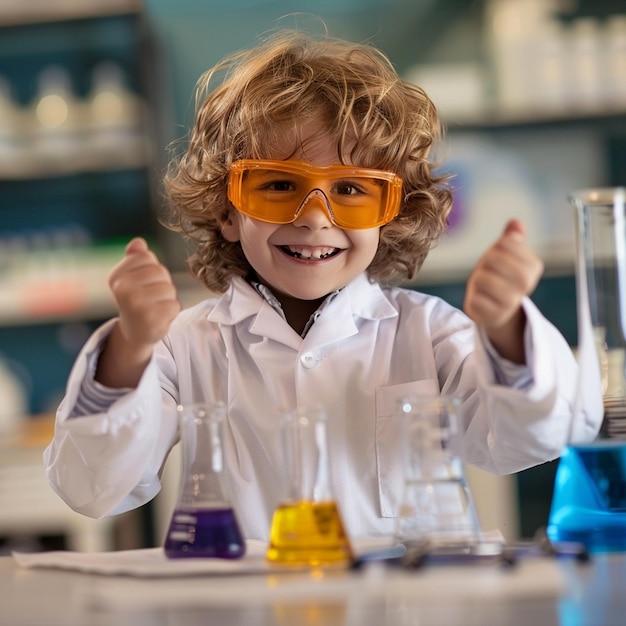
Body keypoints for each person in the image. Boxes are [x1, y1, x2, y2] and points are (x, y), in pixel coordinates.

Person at [44, 31, 602, 541]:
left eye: (353, 190)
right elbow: (94, 487)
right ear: (228, 211)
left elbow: (529, 438)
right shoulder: (183, 345)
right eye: (280, 184)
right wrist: (129, 352)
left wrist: (506, 328)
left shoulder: (430, 334)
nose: (315, 218)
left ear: (392, 215)